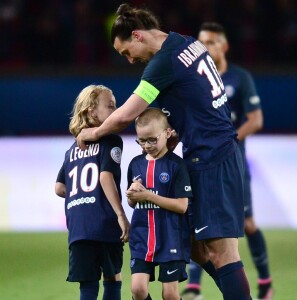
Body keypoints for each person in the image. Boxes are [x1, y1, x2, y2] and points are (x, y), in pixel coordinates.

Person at [76, 4, 252, 299]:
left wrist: (91, 132)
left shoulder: (163, 63)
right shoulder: (187, 42)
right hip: (211, 153)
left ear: (137, 35)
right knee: (194, 246)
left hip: (213, 158)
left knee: (223, 253)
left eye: (126, 52)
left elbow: (124, 116)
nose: (130, 60)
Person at [181, 22, 273, 300]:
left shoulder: (238, 78)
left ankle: (265, 281)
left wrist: (229, 141)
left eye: (210, 42)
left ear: (224, 46)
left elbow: (256, 119)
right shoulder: (195, 79)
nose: (204, 47)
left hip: (231, 165)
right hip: (202, 164)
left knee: (246, 223)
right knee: (197, 225)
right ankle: (195, 287)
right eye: (200, 42)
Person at [55, 84, 130, 300]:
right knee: (112, 278)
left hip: (78, 227)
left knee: (87, 285)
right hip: (104, 222)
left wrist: (82, 198)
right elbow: (105, 177)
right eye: (110, 106)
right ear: (91, 111)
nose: (115, 111)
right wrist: (120, 215)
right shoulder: (111, 140)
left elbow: (59, 188)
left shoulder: (72, 150)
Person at [126, 107, 192, 300]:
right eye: (141, 140)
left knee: (170, 294)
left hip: (171, 236)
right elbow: (133, 204)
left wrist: (147, 195)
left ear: (167, 133)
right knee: (138, 289)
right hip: (142, 237)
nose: (147, 145)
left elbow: (182, 206)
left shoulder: (177, 166)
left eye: (152, 139)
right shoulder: (135, 164)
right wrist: (132, 196)